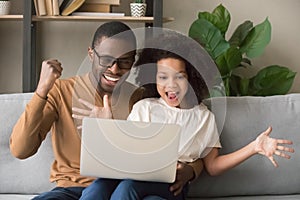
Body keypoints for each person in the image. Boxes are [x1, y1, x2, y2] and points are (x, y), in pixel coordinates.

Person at [79, 32, 294, 200]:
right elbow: (124, 151)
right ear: (153, 77)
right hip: (136, 177)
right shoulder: (144, 108)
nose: (170, 86)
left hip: (172, 185)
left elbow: (213, 166)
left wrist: (254, 147)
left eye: (179, 78)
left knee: (128, 188)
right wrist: (107, 128)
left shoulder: (203, 118)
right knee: (98, 187)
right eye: (163, 77)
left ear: (192, 79)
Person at [10, 21, 198, 200]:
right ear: (91, 54)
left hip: (123, 190)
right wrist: (42, 90)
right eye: (106, 60)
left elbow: (186, 139)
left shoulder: (140, 98)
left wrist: (191, 170)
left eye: (124, 62)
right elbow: (21, 150)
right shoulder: (61, 91)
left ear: (133, 63)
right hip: (72, 189)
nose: (114, 69)